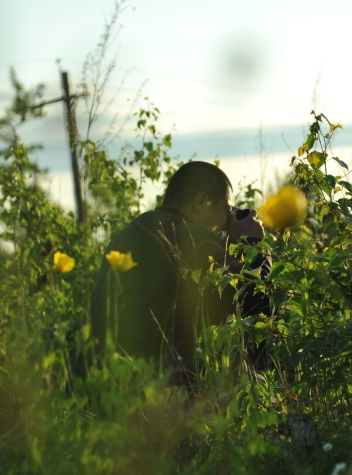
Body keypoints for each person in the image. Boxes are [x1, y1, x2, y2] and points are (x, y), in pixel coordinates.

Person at [81, 161, 271, 388]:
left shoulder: (129, 233)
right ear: (201, 202)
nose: (226, 220)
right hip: (154, 395)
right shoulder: (188, 236)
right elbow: (256, 301)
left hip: (99, 383)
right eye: (225, 210)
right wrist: (251, 243)